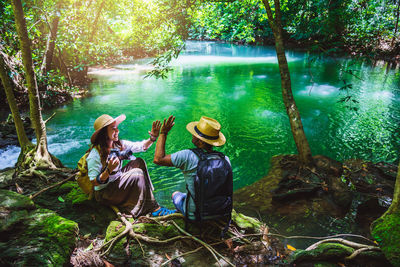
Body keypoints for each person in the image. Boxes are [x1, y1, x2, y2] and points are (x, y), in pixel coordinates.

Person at [87, 114, 175, 217]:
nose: (117, 131)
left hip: (116, 181)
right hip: (105, 193)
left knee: (139, 162)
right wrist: (108, 171)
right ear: (104, 133)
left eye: (117, 128)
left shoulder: (119, 145)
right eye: (113, 128)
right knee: (137, 173)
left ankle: (147, 198)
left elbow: (141, 146)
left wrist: (153, 138)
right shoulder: (94, 155)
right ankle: (154, 209)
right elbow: (94, 182)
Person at [153, 115, 232, 221]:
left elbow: (158, 159)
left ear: (201, 141)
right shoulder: (225, 159)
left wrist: (163, 133)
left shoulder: (188, 156)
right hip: (222, 212)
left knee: (175, 194)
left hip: (196, 215)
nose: (192, 135)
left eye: (195, 135)